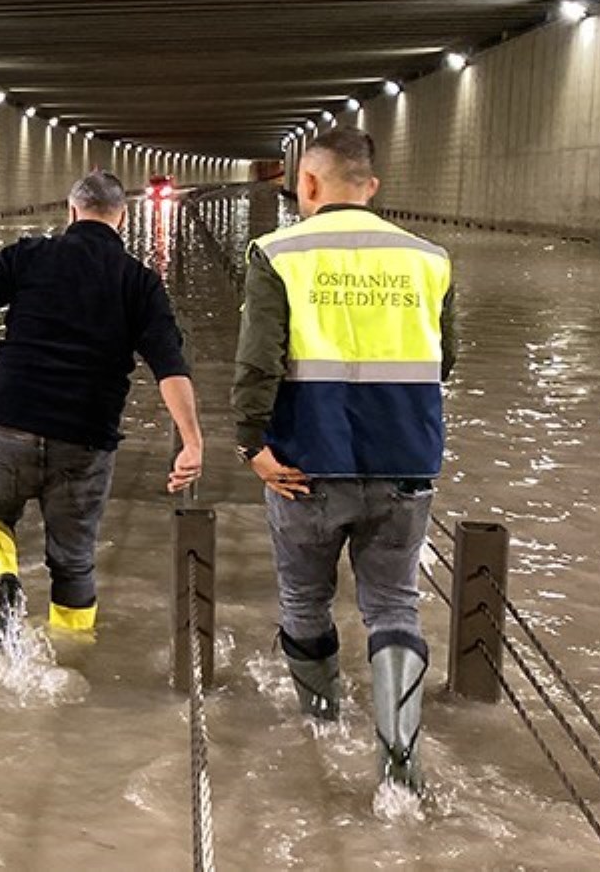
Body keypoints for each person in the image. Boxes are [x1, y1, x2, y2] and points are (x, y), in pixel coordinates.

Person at [232, 126, 455, 795]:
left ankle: (323, 725)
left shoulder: (277, 252)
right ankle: (397, 756)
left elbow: (256, 363)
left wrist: (252, 446)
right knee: (394, 606)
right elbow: (447, 360)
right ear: (372, 188)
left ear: (306, 183)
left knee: (305, 601)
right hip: (406, 462)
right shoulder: (429, 259)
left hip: (305, 462)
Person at [0, 171, 203, 642]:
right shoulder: (138, 282)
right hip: (85, 437)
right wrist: (191, 441)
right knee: (74, 559)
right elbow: (170, 367)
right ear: (121, 218)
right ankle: (72, 657)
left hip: (9, 422)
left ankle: (3, 575)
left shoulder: (27, 256)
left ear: (71, 210)